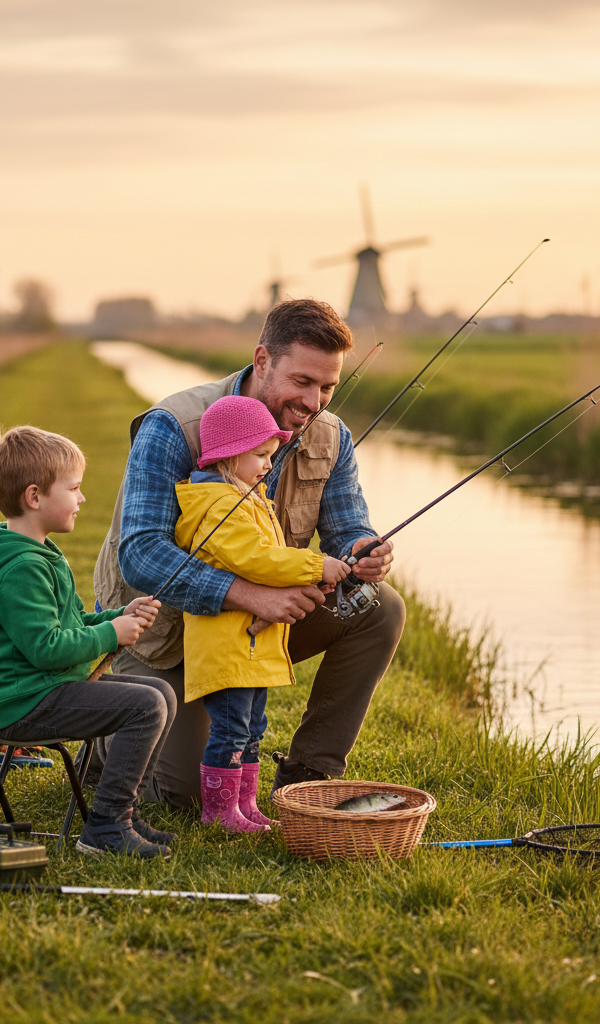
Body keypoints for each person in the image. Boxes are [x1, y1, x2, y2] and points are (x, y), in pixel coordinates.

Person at [95, 298, 406, 808]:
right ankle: (109, 736)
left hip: (256, 624)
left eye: (328, 386)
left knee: (380, 605)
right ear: (262, 360)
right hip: (163, 634)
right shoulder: (174, 424)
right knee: (183, 796)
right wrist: (251, 595)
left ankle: (308, 775)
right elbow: (142, 554)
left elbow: (347, 526)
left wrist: (363, 549)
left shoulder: (332, 435)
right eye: (302, 381)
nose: (314, 401)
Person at [175, 395, 351, 832]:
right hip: (229, 648)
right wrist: (315, 566)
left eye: (271, 455)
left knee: (253, 728)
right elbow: (256, 558)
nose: (269, 465)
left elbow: (267, 562)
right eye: (260, 455)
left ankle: (245, 805)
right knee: (231, 730)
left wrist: (302, 583)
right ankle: (219, 814)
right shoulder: (218, 506)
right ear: (229, 455)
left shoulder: (246, 497)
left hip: (250, 648)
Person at [0, 426, 177, 859]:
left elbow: (72, 622)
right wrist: (111, 635)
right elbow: (47, 647)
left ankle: (125, 812)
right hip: (23, 702)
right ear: (34, 497)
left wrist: (117, 616)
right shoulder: (23, 567)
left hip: (44, 688)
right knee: (146, 705)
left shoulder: (41, 552)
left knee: (161, 692)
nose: (82, 498)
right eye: (74, 488)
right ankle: (106, 826)